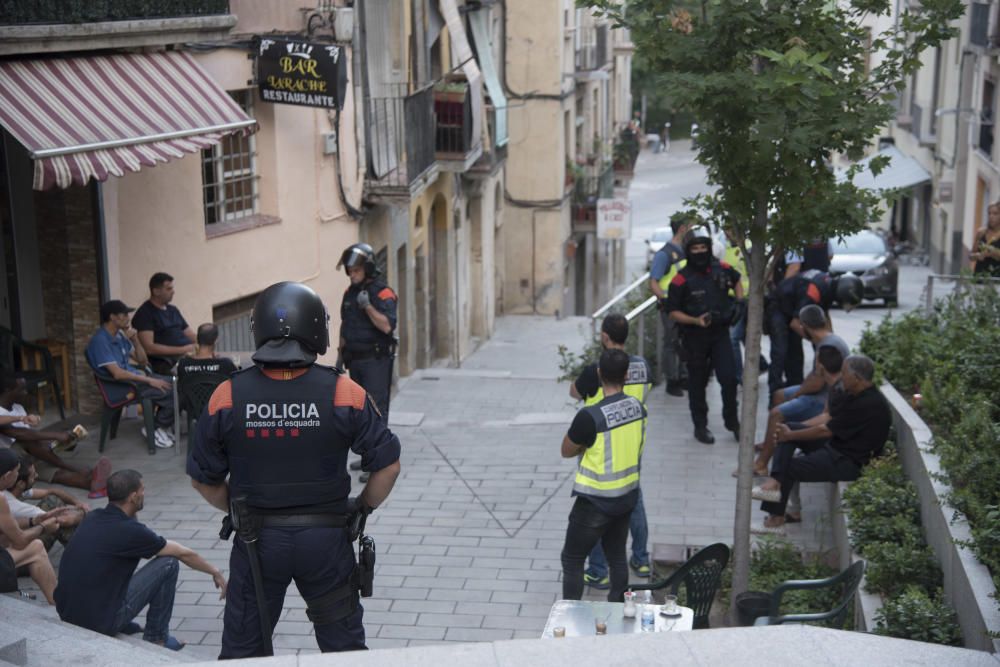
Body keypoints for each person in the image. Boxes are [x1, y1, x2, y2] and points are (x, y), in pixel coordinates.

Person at [188, 281, 402, 657]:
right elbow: (389, 466)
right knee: (344, 649)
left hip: (257, 543)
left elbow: (202, 479)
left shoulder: (227, 394)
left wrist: (237, 510)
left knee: (244, 650)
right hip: (327, 543)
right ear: (316, 328)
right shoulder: (345, 392)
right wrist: (360, 509)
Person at [55, 469, 225, 651]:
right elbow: (182, 553)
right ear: (133, 497)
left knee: (113, 567)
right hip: (99, 623)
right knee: (168, 563)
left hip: (67, 613)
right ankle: (157, 637)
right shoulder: (130, 532)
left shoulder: (93, 517)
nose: (145, 493)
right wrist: (214, 571)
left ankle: (124, 623)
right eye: (143, 490)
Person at [751, 354, 891, 535]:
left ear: (856, 378)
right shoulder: (854, 394)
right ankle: (774, 482)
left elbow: (826, 430)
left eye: (844, 373)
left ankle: (775, 520)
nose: (841, 377)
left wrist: (791, 435)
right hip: (837, 447)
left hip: (847, 462)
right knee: (790, 428)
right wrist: (791, 433)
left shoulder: (869, 403)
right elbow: (829, 417)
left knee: (790, 465)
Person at [569, 314, 653, 586]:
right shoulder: (642, 367)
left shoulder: (597, 371)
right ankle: (640, 558)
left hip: (601, 444)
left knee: (596, 507)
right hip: (632, 441)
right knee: (634, 500)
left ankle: (597, 569)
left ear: (604, 336)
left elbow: (574, 392)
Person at [560, 349, 647, 603]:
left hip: (594, 502)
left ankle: (570, 614)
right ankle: (619, 609)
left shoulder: (590, 416)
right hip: (626, 498)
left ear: (599, 374)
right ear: (627, 375)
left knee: (572, 559)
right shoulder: (638, 408)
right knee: (617, 557)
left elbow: (566, 450)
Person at [750, 305, 850, 476]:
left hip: (823, 397)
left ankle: (761, 464)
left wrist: (797, 394)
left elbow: (816, 384)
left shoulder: (827, 346)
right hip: (821, 390)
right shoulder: (826, 341)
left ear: (805, 326)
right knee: (779, 395)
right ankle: (770, 442)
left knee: (776, 413)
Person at [666, 226, 742, 444]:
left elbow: (737, 280)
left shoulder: (722, 268)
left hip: (720, 334)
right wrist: (695, 321)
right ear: (688, 251)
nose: (699, 252)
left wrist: (739, 302)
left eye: (703, 247)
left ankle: (732, 421)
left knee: (729, 378)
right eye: (695, 248)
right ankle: (701, 426)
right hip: (694, 338)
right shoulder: (681, 279)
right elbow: (672, 312)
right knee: (697, 384)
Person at [338, 243, 398, 482]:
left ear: (368, 268)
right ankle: (366, 457)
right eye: (349, 270)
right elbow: (345, 325)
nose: (351, 274)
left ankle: (378, 463)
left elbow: (386, 325)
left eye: (355, 270)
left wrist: (368, 307)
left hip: (376, 361)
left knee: (376, 410)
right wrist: (339, 355)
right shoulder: (349, 293)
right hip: (355, 360)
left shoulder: (383, 293)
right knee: (359, 411)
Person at [0, 373, 111, 497]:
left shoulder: (18, 407)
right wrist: (55, 435)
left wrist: (57, 442)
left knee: (54, 474)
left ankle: (90, 482)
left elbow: (32, 436)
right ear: (7, 390)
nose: (25, 392)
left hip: (26, 458)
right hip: (8, 459)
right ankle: (71, 467)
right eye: (21, 389)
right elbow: (19, 434)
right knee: (29, 441)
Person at [86, 299, 176, 448]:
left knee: (176, 384)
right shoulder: (100, 341)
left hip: (135, 378)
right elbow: (117, 374)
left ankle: (159, 426)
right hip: (122, 387)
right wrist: (149, 381)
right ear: (113, 317)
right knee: (170, 390)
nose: (128, 318)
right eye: (124, 314)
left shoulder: (120, 336)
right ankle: (154, 428)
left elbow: (142, 361)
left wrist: (135, 340)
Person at [767, 268, 863, 398]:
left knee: (796, 355)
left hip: (793, 309)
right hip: (778, 308)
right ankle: (774, 395)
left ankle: (794, 391)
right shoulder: (814, 291)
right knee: (780, 352)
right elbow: (795, 324)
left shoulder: (828, 287)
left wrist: (830, 340)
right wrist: (818, 340)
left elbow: (824, 318)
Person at [0, 448, 59, 603]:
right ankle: (59, 606)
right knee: (36, 547)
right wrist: (44, 527)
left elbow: (6, 525)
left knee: (6, 537)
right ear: (7, 476)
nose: (18, 474)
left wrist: (33, 521)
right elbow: (20, 541)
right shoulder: (1, 499)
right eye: (17, 471)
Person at [649, 212, 691, 396]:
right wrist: (666, 301)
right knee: (671, 343)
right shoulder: (664, 254)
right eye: (690, 228)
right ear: (682, 229)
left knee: (684, 342)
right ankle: (672, 381)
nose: (692, 232)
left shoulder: (686, 251)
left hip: (686, 307)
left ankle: (683, 378)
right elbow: (653, 283)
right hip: (671, 308)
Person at [6, 455, 87, 550]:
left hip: (16, 535)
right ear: (21, 484)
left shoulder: (13, 488)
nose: (37, 476)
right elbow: (62, 520)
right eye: (33, 475)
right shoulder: (15, 506)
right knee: (56, 520)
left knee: (54, 501)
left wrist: (78, 503)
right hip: (13, 550)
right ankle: (82, 551)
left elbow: (52, 491)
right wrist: (83, 513)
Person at [132, 272, 196, 375]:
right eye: (169, 289)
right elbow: (149, 348)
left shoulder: (173, 310)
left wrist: (204, 343)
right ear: (156, 291)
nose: (173, 292)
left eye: (172, 288)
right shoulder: (145, 314)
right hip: (166, 363)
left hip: (187, 356)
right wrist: (183, 350)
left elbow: (190, 334)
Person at [971, 202, 1000, 276]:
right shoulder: (981, 233)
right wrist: (977, 256)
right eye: (989, 213)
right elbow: (971, 255)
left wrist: (993, 253)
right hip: (979, 276)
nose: (991, 216)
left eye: (995, 214)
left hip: (996, 277)